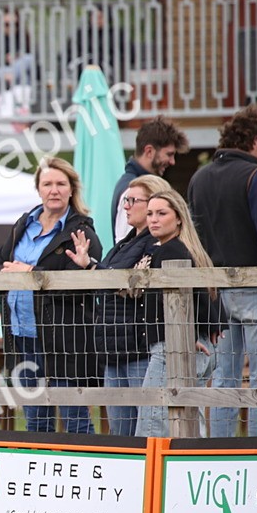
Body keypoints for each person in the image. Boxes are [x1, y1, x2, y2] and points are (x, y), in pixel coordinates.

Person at [185, 104, 257, 438]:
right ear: (255, 140)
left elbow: (194, 241)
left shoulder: (198, 179)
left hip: (216, 295)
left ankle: (221, 452)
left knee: (225, 381)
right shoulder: (255, 176)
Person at [0, 157, 103, 434]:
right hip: (22, 336)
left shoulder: (82, 231)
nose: (54, 190)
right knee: (35, 421)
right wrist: (8, 273)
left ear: (71, 189)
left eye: (60, 184)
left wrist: (31, 272)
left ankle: (85, 470)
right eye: (47, 184)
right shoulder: (23, 225)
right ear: (39, 189)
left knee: (74, 417)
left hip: (63, 340)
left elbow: (81, 280)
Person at [67, 175, 165, 436]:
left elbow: (131, 286)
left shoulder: (156, 245)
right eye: (126, 200)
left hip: (138, 349)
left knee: (144, 432)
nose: (126, 206)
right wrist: (90, 265)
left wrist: (97, 270)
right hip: (112, 349)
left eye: (133, 200)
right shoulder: (124, 244)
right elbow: (112, 279)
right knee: (121, 435)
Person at [133, 189, 224, 438]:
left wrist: (187, 334)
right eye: (150, 213)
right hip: (193, 347)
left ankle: (155, 477)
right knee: (190, 425)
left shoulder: (170, 251)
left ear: (179, 217)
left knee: (154, 425)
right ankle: (195, 471)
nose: (154, 219)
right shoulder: (188, 250)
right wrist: (211, 326)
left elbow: (188, 299)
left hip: (173, 348)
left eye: (162, 213)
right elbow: (205, 295)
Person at [109, 117, 189, 243]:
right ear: (149, 151)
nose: (172, 162)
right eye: (169, 154)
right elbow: (124, 241)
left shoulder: (130, 185)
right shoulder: (131, 190)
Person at [0, 10, 39, 134]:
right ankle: (22, 115)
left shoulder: (23, 39)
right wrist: (5, 59)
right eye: (7, 24)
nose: (11, 28)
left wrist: (16, 59)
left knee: (26, 63)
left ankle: (18, 111)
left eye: (15, 25)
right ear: (0, 24)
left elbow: (35, 65)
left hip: (16, 76)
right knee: (27, 62)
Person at [62, 5, 135, 89]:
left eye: (101, 17)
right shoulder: (80, 34)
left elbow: (128, 55)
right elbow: (68, 53)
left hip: (107, 70)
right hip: (81, 69)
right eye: (95, 16)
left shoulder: (116, 34)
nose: (97, 20)